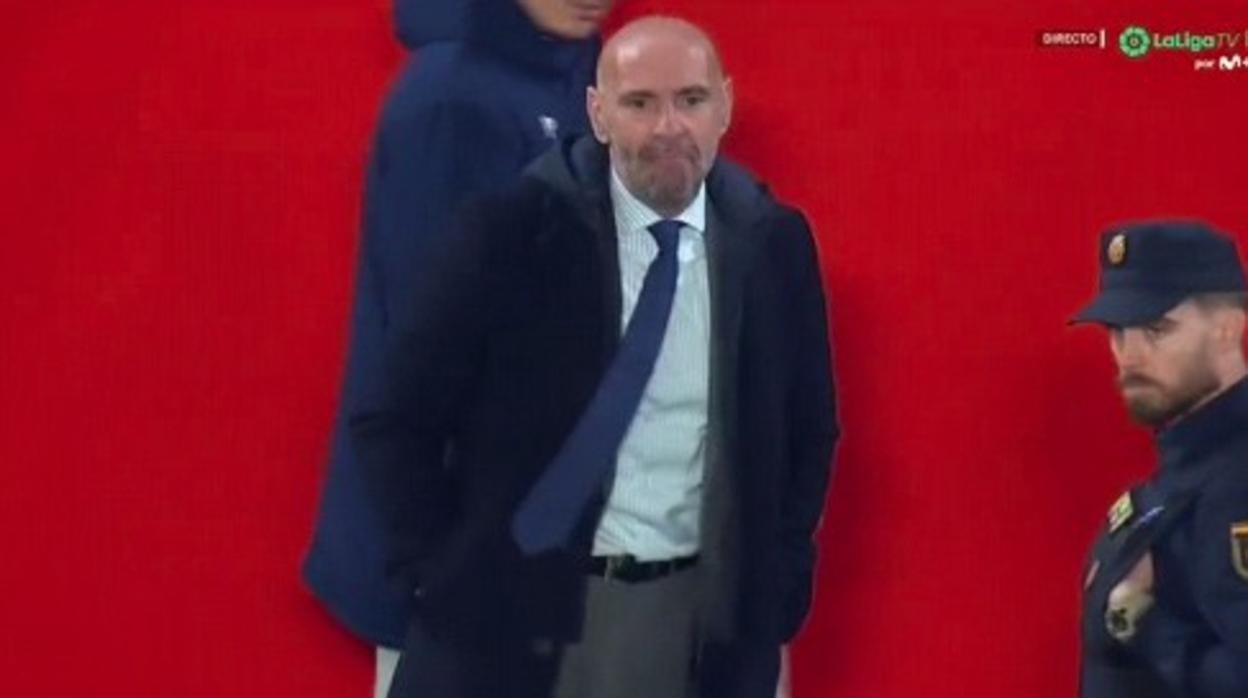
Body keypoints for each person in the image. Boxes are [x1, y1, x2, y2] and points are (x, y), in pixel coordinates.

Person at [350, 15, 838, 698]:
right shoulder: (510, 234)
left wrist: (777, 583)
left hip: (692, 623)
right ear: (598, 113)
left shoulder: (773, 246)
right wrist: (444, 572)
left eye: (691, 100)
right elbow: (394, 417)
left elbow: (808, 429)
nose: (668, 127)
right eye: (640, 103)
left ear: (724, 106)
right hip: (512, 613)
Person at [301, 1, 608, 695]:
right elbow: (429, 342)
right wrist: (439, 555)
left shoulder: (594, 79)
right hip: (466, 553)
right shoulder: (448, 99)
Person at [1071, 220, 1248, 697]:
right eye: (1117, 332)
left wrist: (1144, 626)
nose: (1129, 355)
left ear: (1227, 329)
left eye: (1156, 329)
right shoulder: (1184, 473)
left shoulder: (1236, 481)